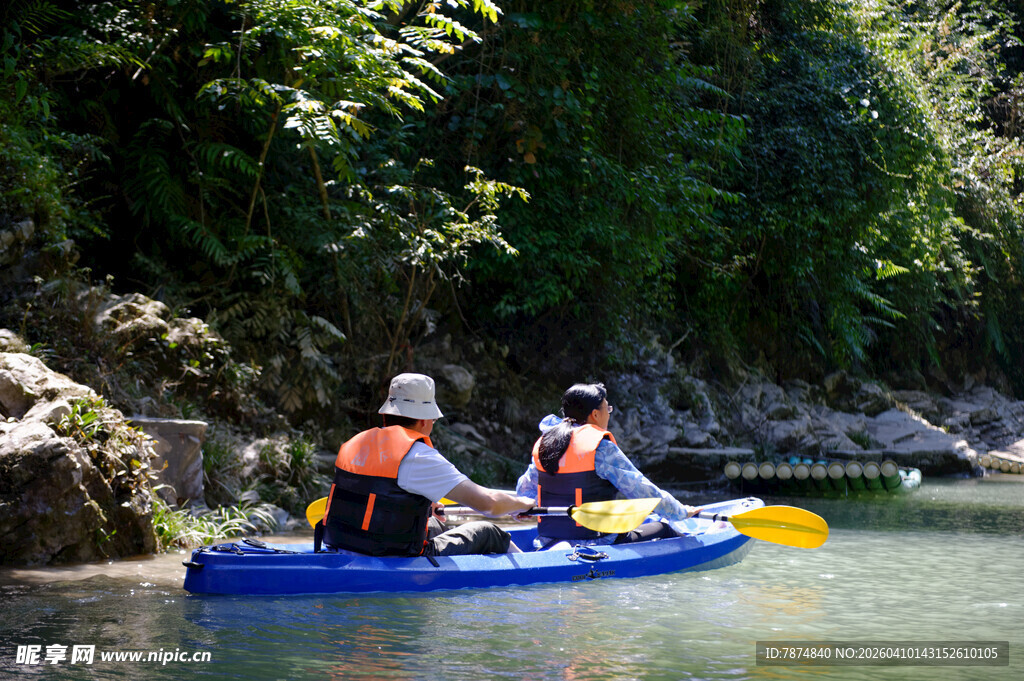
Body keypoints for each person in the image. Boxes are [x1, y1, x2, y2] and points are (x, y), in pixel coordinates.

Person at [322, 372, 535, 557]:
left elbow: (374, 494)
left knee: (434, 524)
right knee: (489, 532)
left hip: (344, 546)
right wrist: (523, 503)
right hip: (394, 557)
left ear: (386, 415)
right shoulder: (419, 456)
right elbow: (489, 504)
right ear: (425, 420)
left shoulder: (355, 443)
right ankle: (532, 578)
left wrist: (418, 504)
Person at [516, 382, 698, 549]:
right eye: (607, 408)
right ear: (595, 414)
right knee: (663, 528)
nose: (608, 414)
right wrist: (680, 512)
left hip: (549, 540)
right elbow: (642, 490)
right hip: (598, 542)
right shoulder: (600, 448)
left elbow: (524, 491)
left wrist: (519, 509)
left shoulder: (546, 443)